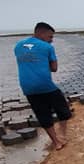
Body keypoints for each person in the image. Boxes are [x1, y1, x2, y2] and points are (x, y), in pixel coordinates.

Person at [14, 22, 72, 150]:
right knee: (63, 109)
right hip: (46, 86)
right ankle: (62, 133)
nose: (51, 40)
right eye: (50, 37)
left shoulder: (17, 46)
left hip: (27, 88)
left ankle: (56, 142)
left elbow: (26, 63)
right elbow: (54, 68)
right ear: (41, 33)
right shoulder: (47, 47)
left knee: (43, 115)